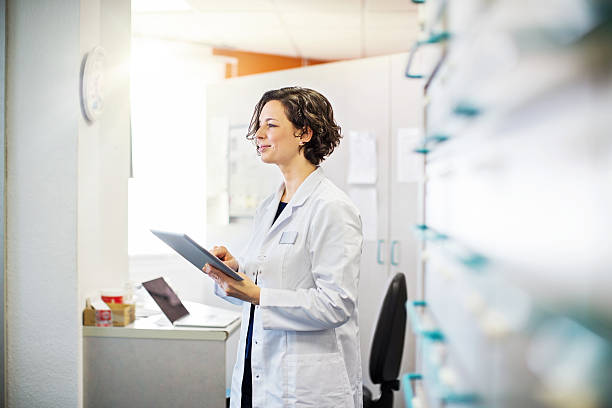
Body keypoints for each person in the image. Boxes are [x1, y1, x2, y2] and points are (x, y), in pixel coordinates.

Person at [203, 87, 363, 408]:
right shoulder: (269, 205)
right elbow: (271, 276)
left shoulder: (331, 207)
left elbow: (336, 304)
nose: (258, 134)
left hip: (304, 386)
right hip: (257, 368)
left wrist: (258, 294)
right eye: (260, 125)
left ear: (304, 133)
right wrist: (235, 272)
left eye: (271, 125)